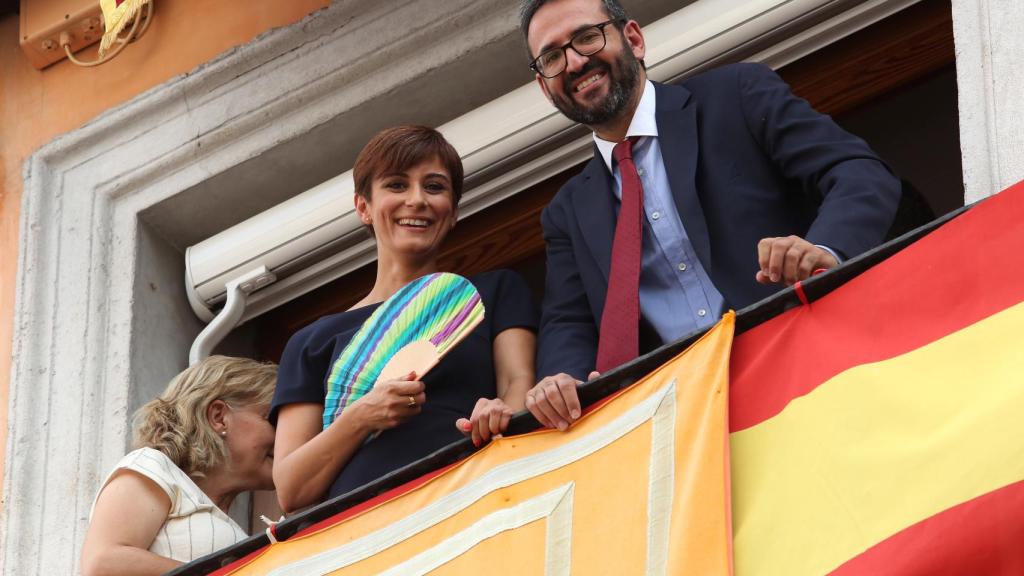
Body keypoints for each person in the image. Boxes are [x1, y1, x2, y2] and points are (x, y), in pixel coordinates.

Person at [519, 0, 902, 429]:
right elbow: (567, 322)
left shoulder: (737, 94)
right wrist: (561, 381)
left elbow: (857, 173)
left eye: (587, 37)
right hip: (690, 425)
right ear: (544, 87)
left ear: (633, 39)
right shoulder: (566, 214)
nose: (573, 62)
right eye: (552, 57)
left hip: (812, 367)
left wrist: (823, 250)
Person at [271, 125, 537, 512]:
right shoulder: (311, 341)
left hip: (474, 500)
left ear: (454, 210)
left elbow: (517, 384)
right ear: (363, 207)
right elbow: (291, 489)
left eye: (434, 187)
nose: (417, 200)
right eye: (397, 185)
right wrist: (361, 416)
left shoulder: (493, 292)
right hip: (362, 531)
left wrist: (503, 416)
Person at [80, 356, 278, 576]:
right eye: (272, 420)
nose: (285, 436)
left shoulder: (233, 527)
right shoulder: (152, 466)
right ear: (219, 417)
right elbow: (103, 564)